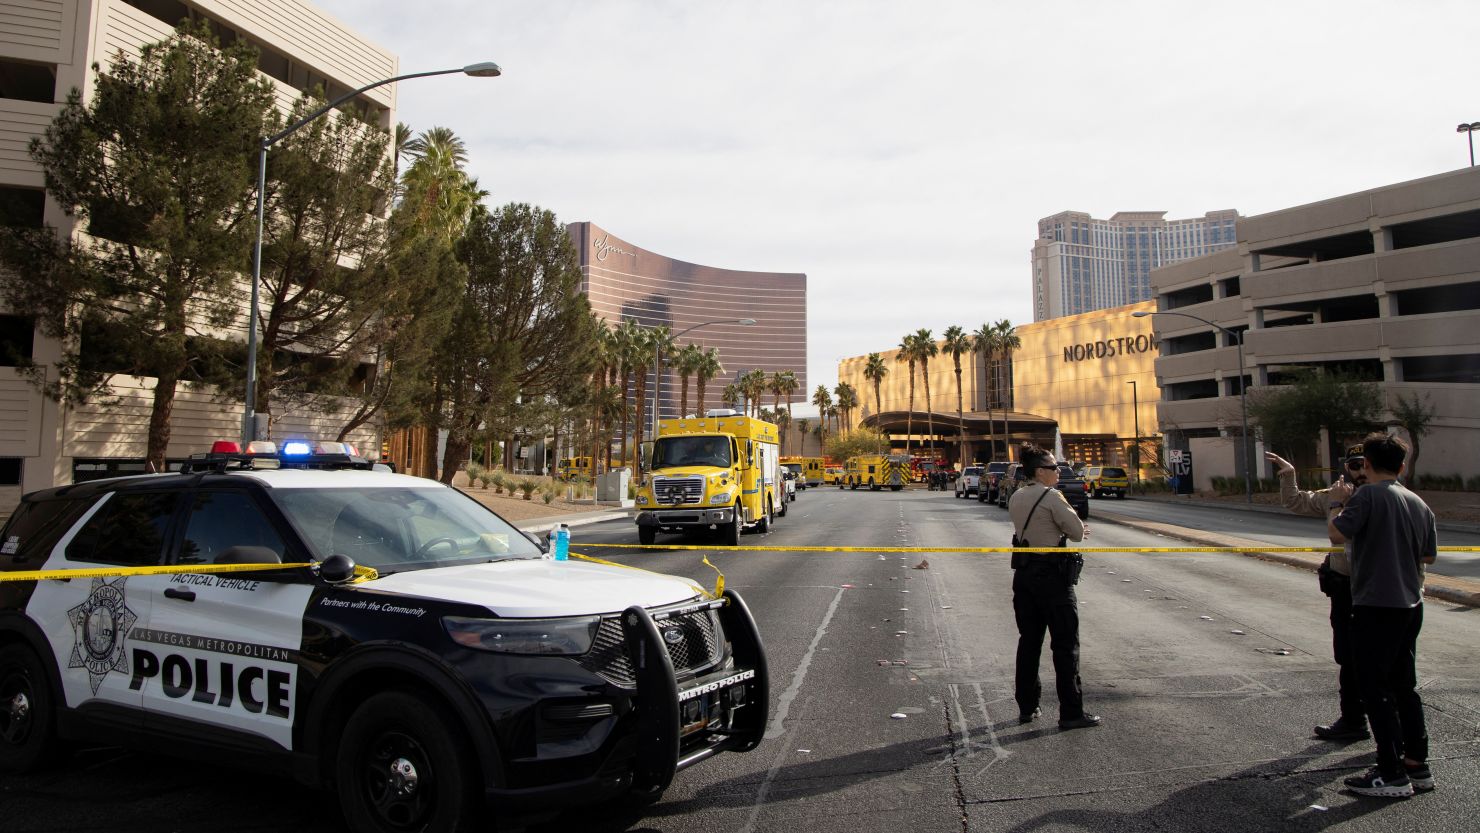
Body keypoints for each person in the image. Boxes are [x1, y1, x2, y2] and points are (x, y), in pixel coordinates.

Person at [1327, 432, 1438, 799]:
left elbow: (1336, 535)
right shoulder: (1418, 503)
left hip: (1375, 605)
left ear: (1368, 464)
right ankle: (1416, 764)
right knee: (1405, 686)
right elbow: (1428, 557)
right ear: (1403, 466)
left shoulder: (1367, 496)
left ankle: (1390, 772)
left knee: (1374, 690)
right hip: (1411, 603)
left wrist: (1337, 504)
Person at [1264, 447, 1369, 742]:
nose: (1359, 472)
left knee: (1378, 662)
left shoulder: (1378, 498)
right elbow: (1295, 502)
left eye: (1364, 465)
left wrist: (1340, 505)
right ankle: (1353, 720)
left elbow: (1342, 534)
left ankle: (1395, 741)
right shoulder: (1334, 495)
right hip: (1344, 586)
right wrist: (1289, 474)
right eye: (1354, 465)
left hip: (1374, 588)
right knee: (1347, 658)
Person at [1008, 443, 1099, 730]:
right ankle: (1071, 712)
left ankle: (1027, 705)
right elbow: (1076, 533)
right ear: (1039, 471)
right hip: (1052, 577)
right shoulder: (1052, 496)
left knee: (1029, 642)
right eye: (1053, 467)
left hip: (1023, 575)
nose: (1058, 471)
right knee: (1065, 645)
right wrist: (1076, 528)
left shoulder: (1017, 495)